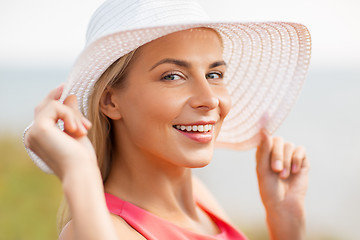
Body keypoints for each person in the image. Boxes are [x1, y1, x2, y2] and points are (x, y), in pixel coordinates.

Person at [23, 0, 311, 239]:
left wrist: (285, 221)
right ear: (110, 101)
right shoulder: (99, 231)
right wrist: (77, 170)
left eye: (214, 75)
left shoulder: (199, 201)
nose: (209, 99)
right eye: (173, 76)